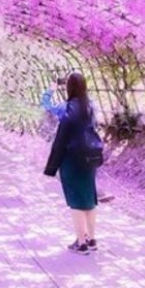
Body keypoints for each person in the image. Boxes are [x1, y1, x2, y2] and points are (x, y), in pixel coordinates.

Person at [43, 71, 99, 255]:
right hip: (89, 157)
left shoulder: (65, 108)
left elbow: (46, 105)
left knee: (76, 201)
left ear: (69, 88)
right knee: (89, 199)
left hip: (71, 159)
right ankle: (92, 239)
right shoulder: (92, 107)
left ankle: (81, 243)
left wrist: (50, 90)